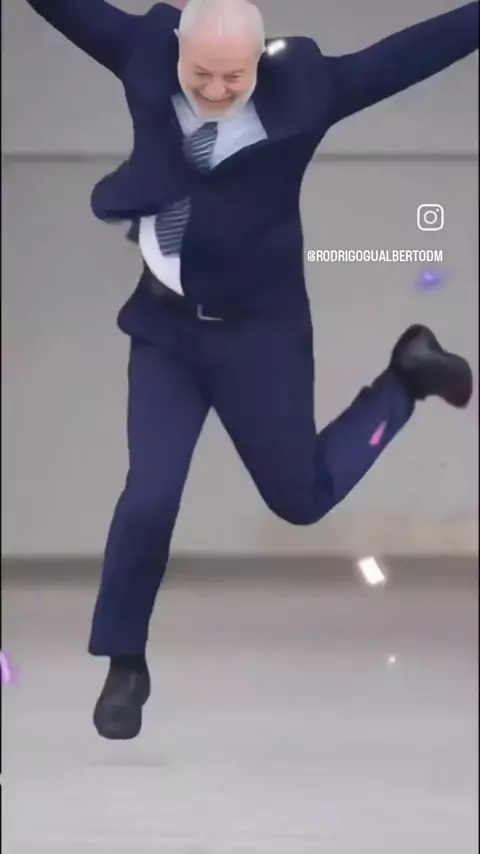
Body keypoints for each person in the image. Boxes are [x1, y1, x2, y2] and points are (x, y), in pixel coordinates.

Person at [24, 0, 478, 740]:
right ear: (178, 51)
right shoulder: (145, 53)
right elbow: (70, 9)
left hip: (260, 336)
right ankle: (125, 663)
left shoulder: (307, 92)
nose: (214, 90)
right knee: (150, 494)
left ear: (259, 62)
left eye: (232, 77)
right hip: (167, 332)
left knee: (301, 499)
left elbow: (408, 55)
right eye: (200, 73)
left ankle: (405, 379)